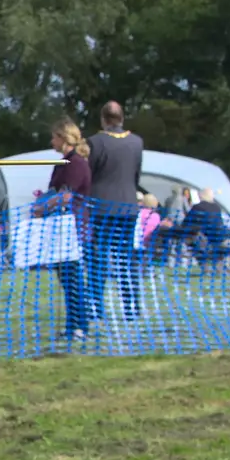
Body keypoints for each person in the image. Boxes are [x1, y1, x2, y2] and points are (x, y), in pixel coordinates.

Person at [33, 118, 91, 340]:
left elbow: (67, 195)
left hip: (72, 228)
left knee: (73, 279)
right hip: (59, 228)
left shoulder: (75, 163)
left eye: (54, 136)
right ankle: (71, 325)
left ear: (63, 138)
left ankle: (80, 326)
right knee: (66, 280)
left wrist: (43, 207)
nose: (51, 140)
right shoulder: (63, 163)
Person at [85, 102, 144, 320]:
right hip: (128, 206)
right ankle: (131, 308)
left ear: (103, 119)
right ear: (122, 118)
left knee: (97, 259)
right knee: (125, 259)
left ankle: (97, 308)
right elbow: (136, 175)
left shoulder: (95, 142)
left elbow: (88, 175)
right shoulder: (137, 142)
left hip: (101, 207)